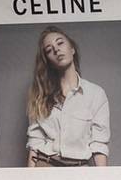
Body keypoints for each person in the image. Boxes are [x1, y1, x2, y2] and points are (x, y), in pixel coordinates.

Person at [25, 26, 111, 167]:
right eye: (49, 50)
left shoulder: (96, 94)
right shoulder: (40, 95)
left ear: (72, 49)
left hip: (80, 170)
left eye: (60, 43)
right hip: (45, 165)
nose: (56, 50)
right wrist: (30, 178)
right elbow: (35, 142)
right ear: (48, 60)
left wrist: (103, 178)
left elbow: (99, 144)